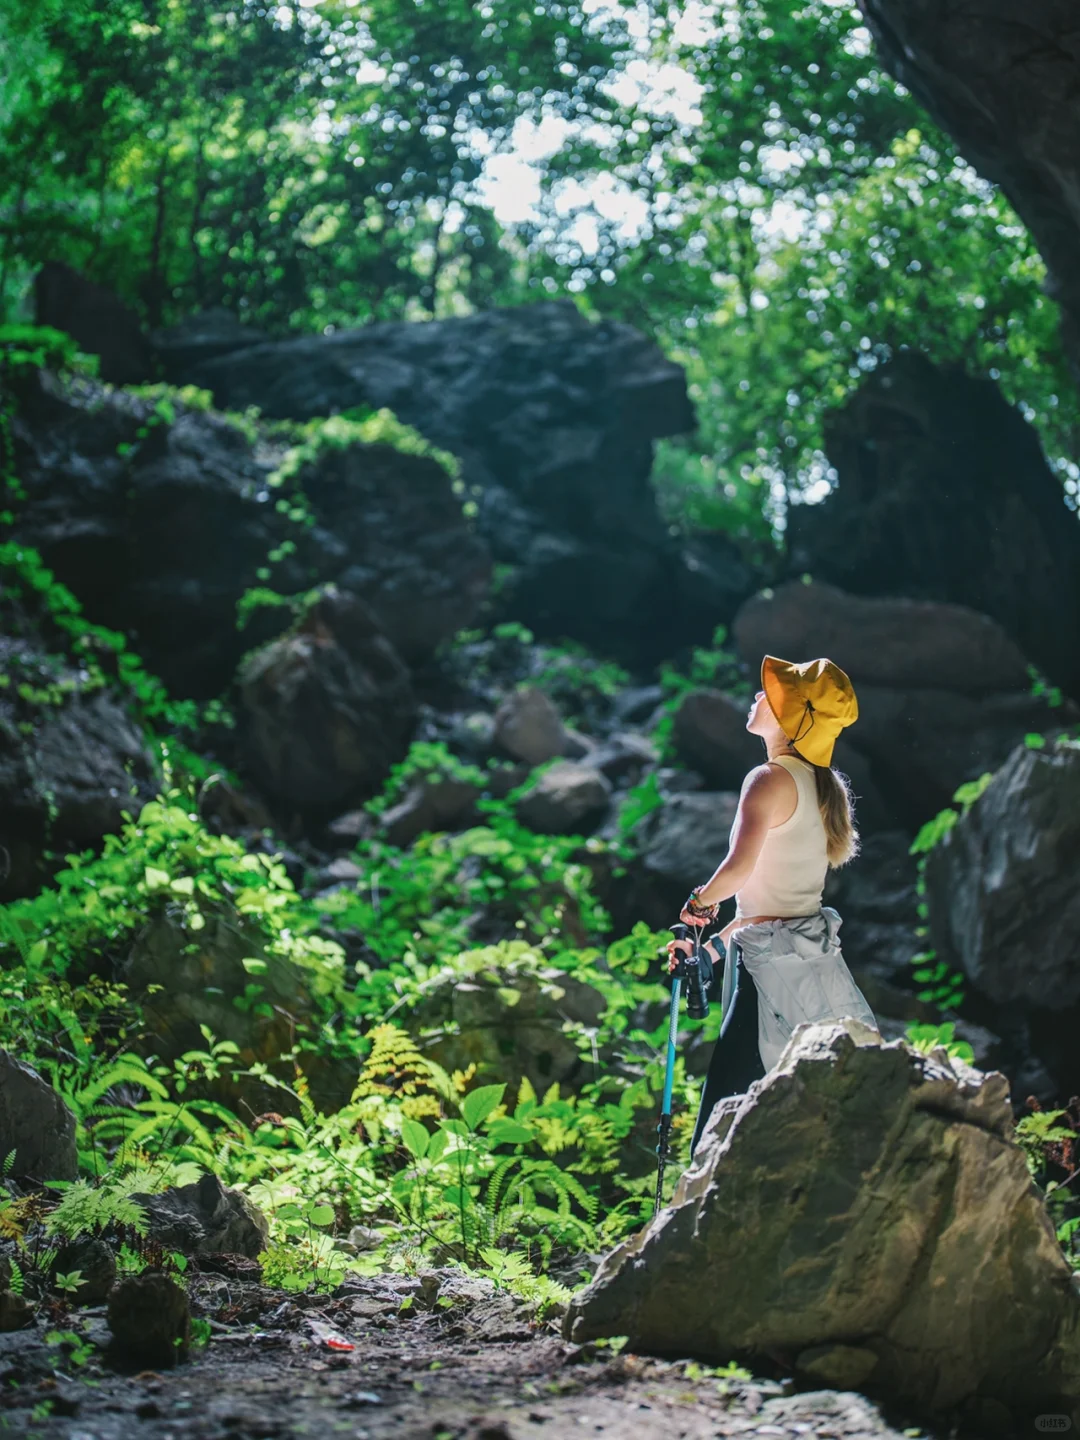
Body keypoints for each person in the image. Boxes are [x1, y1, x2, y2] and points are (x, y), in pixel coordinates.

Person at [666, 654, 879, 1154]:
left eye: (772, 694)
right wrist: (709, 955)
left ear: (790, 718)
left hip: (767, 969)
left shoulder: (767, 779)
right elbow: (767, 905)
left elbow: (738, 873)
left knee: (725, 1112)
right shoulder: (819, 787)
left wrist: (698, 902)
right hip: (807, 962)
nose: (758, 696)